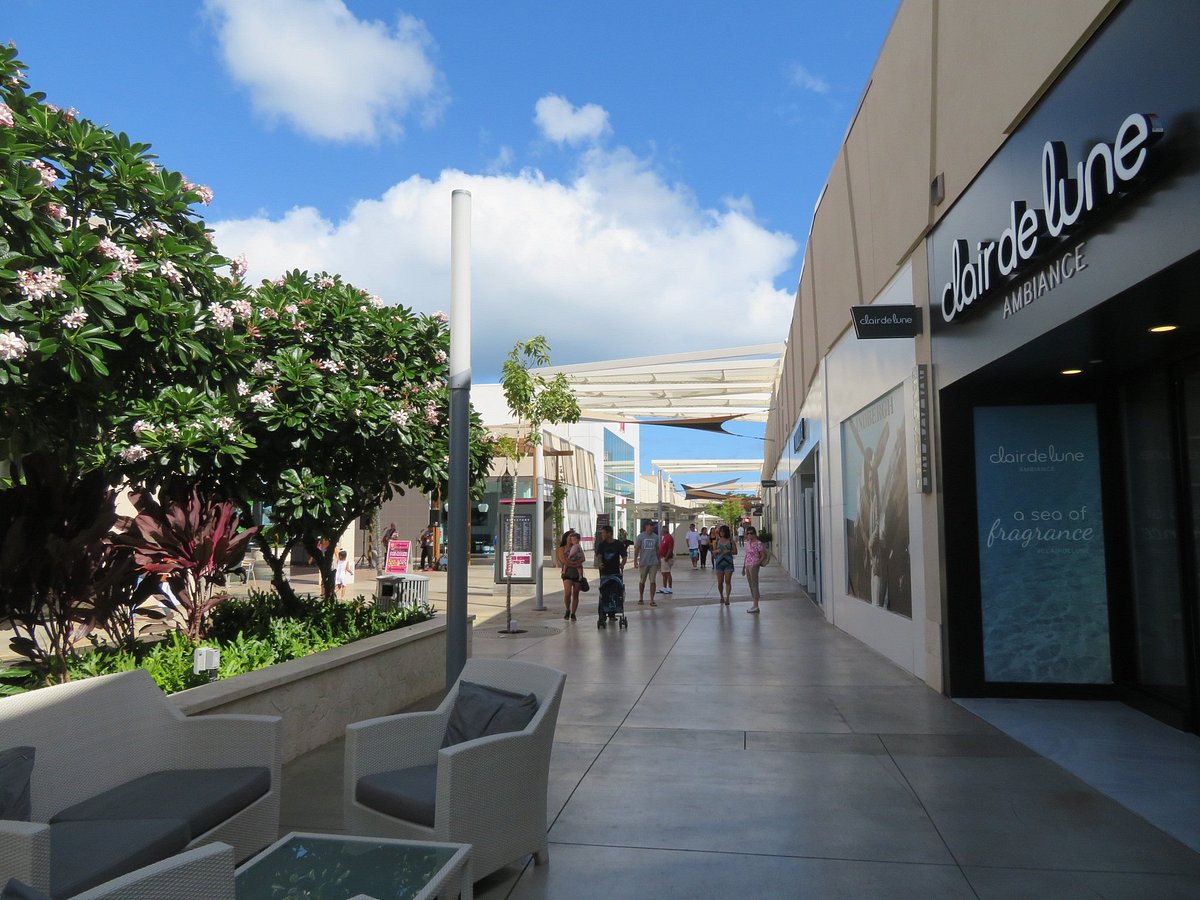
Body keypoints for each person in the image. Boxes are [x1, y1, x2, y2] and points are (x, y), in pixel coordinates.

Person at [557, 531, 585, 621]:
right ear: (566, 538)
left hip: (577, 573)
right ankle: (567, 609)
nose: (571, 539)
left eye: (573, 537)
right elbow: (563, 560)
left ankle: (573, 613)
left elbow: (583, 558)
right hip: (567, 573)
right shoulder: (562, 548)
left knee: (576, 594)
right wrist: (574, 564)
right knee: (567, 593)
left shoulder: (577, 547)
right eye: (570, 537)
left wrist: (576, 563)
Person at [632, 521, 661, 606]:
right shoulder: (640, 537)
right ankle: (641, 597)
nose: (652, 527)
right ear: (646, 526)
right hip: (644, 562)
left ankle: (652, 599)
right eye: (651, 525)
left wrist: (658, 560)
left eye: (653, 526)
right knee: (642, 581)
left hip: (653, 562)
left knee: (653, 581)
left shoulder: (656, 537)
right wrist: (635, 560)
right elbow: (637, 549)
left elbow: (657, 550)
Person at [711, 524, 737, 605]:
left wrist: (728, 551)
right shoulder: (717, 541)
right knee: (720, 582)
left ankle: (727, 597)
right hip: (719, 563)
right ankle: (721, 596)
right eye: (720, 531)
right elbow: (713, 552)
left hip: (728, 563)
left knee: (728, 581)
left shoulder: (730, 541)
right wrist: (716, 551)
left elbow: (735, 552)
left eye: (723, 531)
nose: (721, 533)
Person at [742, 526, 766, 613]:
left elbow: (763, 555)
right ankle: (754, 604)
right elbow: (746, 555)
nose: (749, 535)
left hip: (754, 565)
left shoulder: (758, 543)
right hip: (748, 564)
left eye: (751, 533)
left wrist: (758, 563)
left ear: (755, 534)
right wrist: (743, 567)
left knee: (754, 584)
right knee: (750, 584)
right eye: (748, 533)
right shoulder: (747, 543)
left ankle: (756, 605)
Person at [658, 527, 675, 594]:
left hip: (666, 558)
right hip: (663, 557)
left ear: (664, 531)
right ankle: (664, 587)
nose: (661, 532)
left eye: (662, 531)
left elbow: (670, 549)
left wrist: (666, 557)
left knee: (667, 573)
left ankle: (670, 588)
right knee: (664, 573)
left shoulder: (669, 538)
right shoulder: (664, 537)